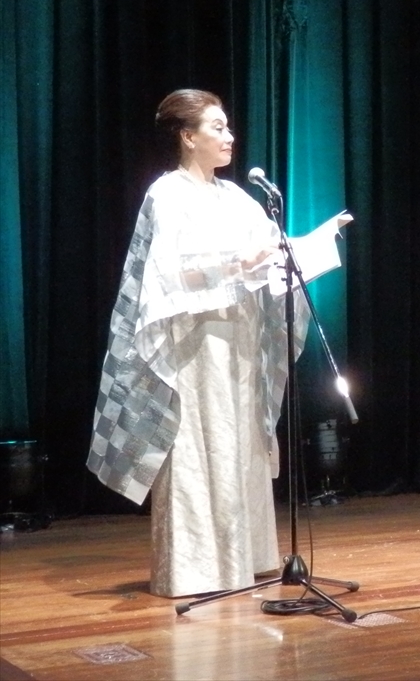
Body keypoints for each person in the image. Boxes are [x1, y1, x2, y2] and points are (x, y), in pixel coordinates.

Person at [87, 89, 307, 597]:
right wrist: (236, 263)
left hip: (240, 336)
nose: (230, 137)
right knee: (200, 443)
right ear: (188, 137)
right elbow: (169, 273)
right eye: (217, 127)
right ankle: (194, 568)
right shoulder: (167, 194)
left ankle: (247, 557)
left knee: (240, 439)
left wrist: (297, 252)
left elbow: (268, 250)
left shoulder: (236, 196)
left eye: (228, 127)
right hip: (195, 340)